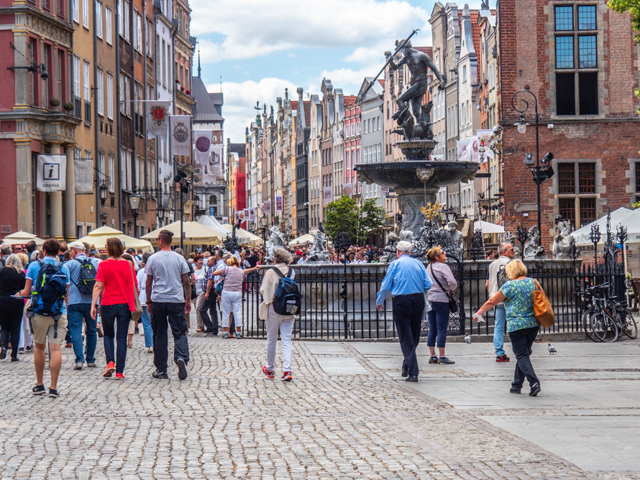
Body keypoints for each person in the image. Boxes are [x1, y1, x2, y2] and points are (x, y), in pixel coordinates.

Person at [474, 259, 542, 397]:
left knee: (521, 355)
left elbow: (492, 301)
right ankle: (516, 385)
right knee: (524, 353)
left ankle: (534, 382)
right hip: (533, 324)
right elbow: (542, 298)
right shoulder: (533, 282)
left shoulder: (509, 286)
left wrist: (479, 312)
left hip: (516, 325)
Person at [19, 238, 70, 398]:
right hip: (58, 311)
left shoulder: (34, 266)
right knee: (55, 349)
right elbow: (65, 293)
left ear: (45, 251)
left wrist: (19, 294)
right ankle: (53, 387)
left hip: (39, 312)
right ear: (58, 252)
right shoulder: (63, 268)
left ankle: (39, 384)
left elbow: (27, 292)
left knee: (39, 348)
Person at [376, 241, 432, 382]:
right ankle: (406, 366)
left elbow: (386, 285)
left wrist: (379, 300)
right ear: (410, 251)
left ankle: (413, 371)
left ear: (397, 251)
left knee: (405, 335)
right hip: (417, 299)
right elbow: (428, 284)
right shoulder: (418, 264)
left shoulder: (395, 264)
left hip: (401, 300)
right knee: (414, 334)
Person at [145, 230, 191, 380]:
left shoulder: (153, 258)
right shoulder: (179, 258)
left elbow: (148, 282)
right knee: (179, 332)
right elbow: (186, 281)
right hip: (176, 299)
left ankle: (161, 369)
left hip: (158, 299)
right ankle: (181, 357)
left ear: (160, 241)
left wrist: (148, 301)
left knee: (159, 334)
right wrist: (188, 300)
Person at [91, 238, 136, 380]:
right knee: (121, 338)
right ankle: (119, 372)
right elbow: (134, 284)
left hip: (108, 303)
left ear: (109, 249)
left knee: (109, 335)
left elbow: (98, 286)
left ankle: (110, 362)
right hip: (124, 304)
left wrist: (93, 305)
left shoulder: (103, 264)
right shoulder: (128, 264)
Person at [260, 247, 296, 381]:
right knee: (286, 339)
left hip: (275, 307)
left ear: (275, 258)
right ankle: (287, 370)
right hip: (290, 307)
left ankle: (269, 369)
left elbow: (264, 290)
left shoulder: (270, 272)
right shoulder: (291, 271)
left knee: (272, 339)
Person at [65, 241, 100, 370]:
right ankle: (90, 359)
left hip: (74, 301)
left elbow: (65, 283)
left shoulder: (69, 264)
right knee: (91, 330)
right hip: (91, 301)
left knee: (75, 330)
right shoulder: (96, 263)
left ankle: (79, 359)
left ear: (74, 250)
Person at [211, 256, 259, 339]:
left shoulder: (226, 269)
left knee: (226, 313)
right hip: (237, 293)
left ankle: (226, 331)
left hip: (226, 292)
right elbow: (245, 271)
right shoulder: (240, 271)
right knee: (237, 312)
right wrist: (253, 268)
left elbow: (214, 273)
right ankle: (239, 332)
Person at [426, 246, 458, 365]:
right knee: (441, 328)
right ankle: (442, 356)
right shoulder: (443, 266)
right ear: (437, 257)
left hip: (430, 299)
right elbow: (452, 282)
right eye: (442, 252)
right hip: (441, 300)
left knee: (432, 328)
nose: (445, 253)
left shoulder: (429, 267)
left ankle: (432, 356)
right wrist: (450, 290)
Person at [486, 243, 515, 362]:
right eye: (512, 249)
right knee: (514, 325)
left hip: (497, 299)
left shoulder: (492, 265)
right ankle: (520, 349)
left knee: (498, 326)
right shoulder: (512, 264)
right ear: (504, 252)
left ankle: (499, 352)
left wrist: (493, 295)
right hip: (510, 298)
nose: (514, 251)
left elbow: (487, 284)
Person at [0, 254, 26, 361]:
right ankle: (14, 355)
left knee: (4, 327)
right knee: (15, 328)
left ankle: (4, 347)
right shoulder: (21, 274)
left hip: (2, 301)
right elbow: (24, 289)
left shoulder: (2, 271)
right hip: (16, 301)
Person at [136, 252, 154, 353]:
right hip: (154, 296)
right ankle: (155, 342)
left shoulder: (141, 272)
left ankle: (149, 344)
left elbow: (137, 285)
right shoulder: (155, 270)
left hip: (143, 297)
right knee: (155, 322)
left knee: (146, 323)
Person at [200, 252, 222, 334]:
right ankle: (215, 327)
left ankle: (210, 326)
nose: (207, 262)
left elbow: (210, 281)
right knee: (213, 310)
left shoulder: (212, 269)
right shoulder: (213, 268)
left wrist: (207, 293)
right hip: (212, 291)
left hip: (210, 291)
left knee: (202, 310)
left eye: (208, 261)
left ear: (213, 262)